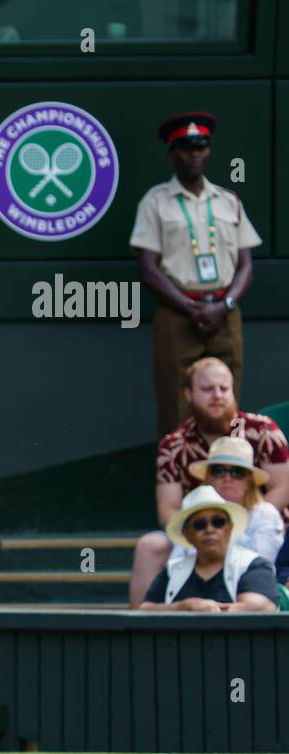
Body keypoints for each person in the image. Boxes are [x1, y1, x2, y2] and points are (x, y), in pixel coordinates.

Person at [130, 111, 262, 436]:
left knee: (226, 397)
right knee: (176, 399)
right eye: (187, 147)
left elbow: (245, 264)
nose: (195, 154)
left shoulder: (228, 201)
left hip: (224, 312)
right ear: (172, 153)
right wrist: (191, 309)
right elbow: (148, 267)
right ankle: (179, 479)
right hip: (178, 314)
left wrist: (224, 305)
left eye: (201, 146)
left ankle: (226, 475)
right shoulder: (155, 202)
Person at [129, 358, 289, 605]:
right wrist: (205, 530)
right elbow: (167, 509)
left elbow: (284, 486)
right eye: (207, 389)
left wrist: (235, 522)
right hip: (197, 532)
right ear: (188, 394)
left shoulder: (263, 429)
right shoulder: (174, 445)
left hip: (268, 533)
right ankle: (137, 632)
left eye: (224, 388)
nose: (217, 396)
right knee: (150, 545)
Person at [129, 436, 284, 605]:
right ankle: (136, 630)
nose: (227, 478)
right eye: (218, 470)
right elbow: (177, 566)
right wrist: (187, 605)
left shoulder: (264, 514)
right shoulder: (193, 511)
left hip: (245, 589)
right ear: (208, 477)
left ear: (250, 480)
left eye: (237, 472)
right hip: (193, 590)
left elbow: (263, 568)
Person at [139, 486, 277, 612]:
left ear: (230, 527)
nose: (209, 529)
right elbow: (145, 610)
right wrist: (185, 606)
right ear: (187, 534)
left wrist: (204, 612)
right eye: (200, 524)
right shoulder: (173, 570)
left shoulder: (253, 565)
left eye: (218, 522)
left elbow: (260, 608)